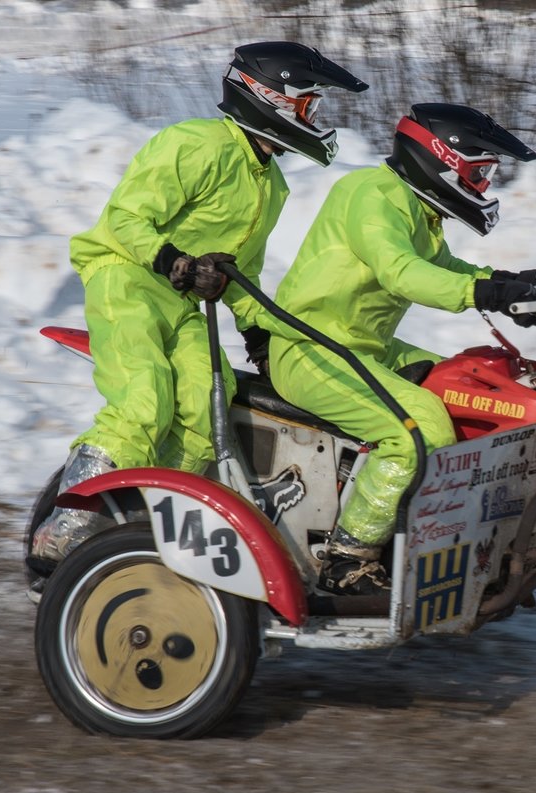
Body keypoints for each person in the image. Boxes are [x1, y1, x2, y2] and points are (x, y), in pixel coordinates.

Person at [30, 42, 368, 565]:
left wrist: (260, 338)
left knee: (211, 400)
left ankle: (147, 519)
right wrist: (174, 262)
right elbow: (124, 219)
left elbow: (241, 272)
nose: (314, 118)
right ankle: (66, 526)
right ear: (268, 98)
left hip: (183, 304)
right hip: (127, 279)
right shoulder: (197, 144)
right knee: (145, 400)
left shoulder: (269, 184)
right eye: (307, 106)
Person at [268, 102, 536, 595]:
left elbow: (444, 267)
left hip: (363, 347)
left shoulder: (417, 208)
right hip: (310, 349)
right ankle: (347, 557)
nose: (482, 186)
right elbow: (402, 272)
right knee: (419, 428)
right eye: (479, 173)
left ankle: (442, 538)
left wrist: (510, 281)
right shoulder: (372, 196)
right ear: (443, 158)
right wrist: (484, 294)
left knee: (463, 388)